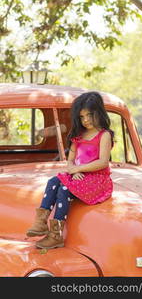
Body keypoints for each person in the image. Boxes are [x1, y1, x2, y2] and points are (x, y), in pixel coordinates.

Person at [26, 91, 114, 249]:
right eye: (82, 117)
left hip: (97, 179)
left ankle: (56, 235)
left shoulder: (104, 135)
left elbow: (103, 162)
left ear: (99, 113)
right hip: (78, 174)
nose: (86, 120)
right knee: (53, 181)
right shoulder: (78, 136)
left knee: (65, 188)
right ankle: (40, 223)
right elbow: (70, 159)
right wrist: (72, 169)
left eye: (89, 115)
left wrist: (78, 169)